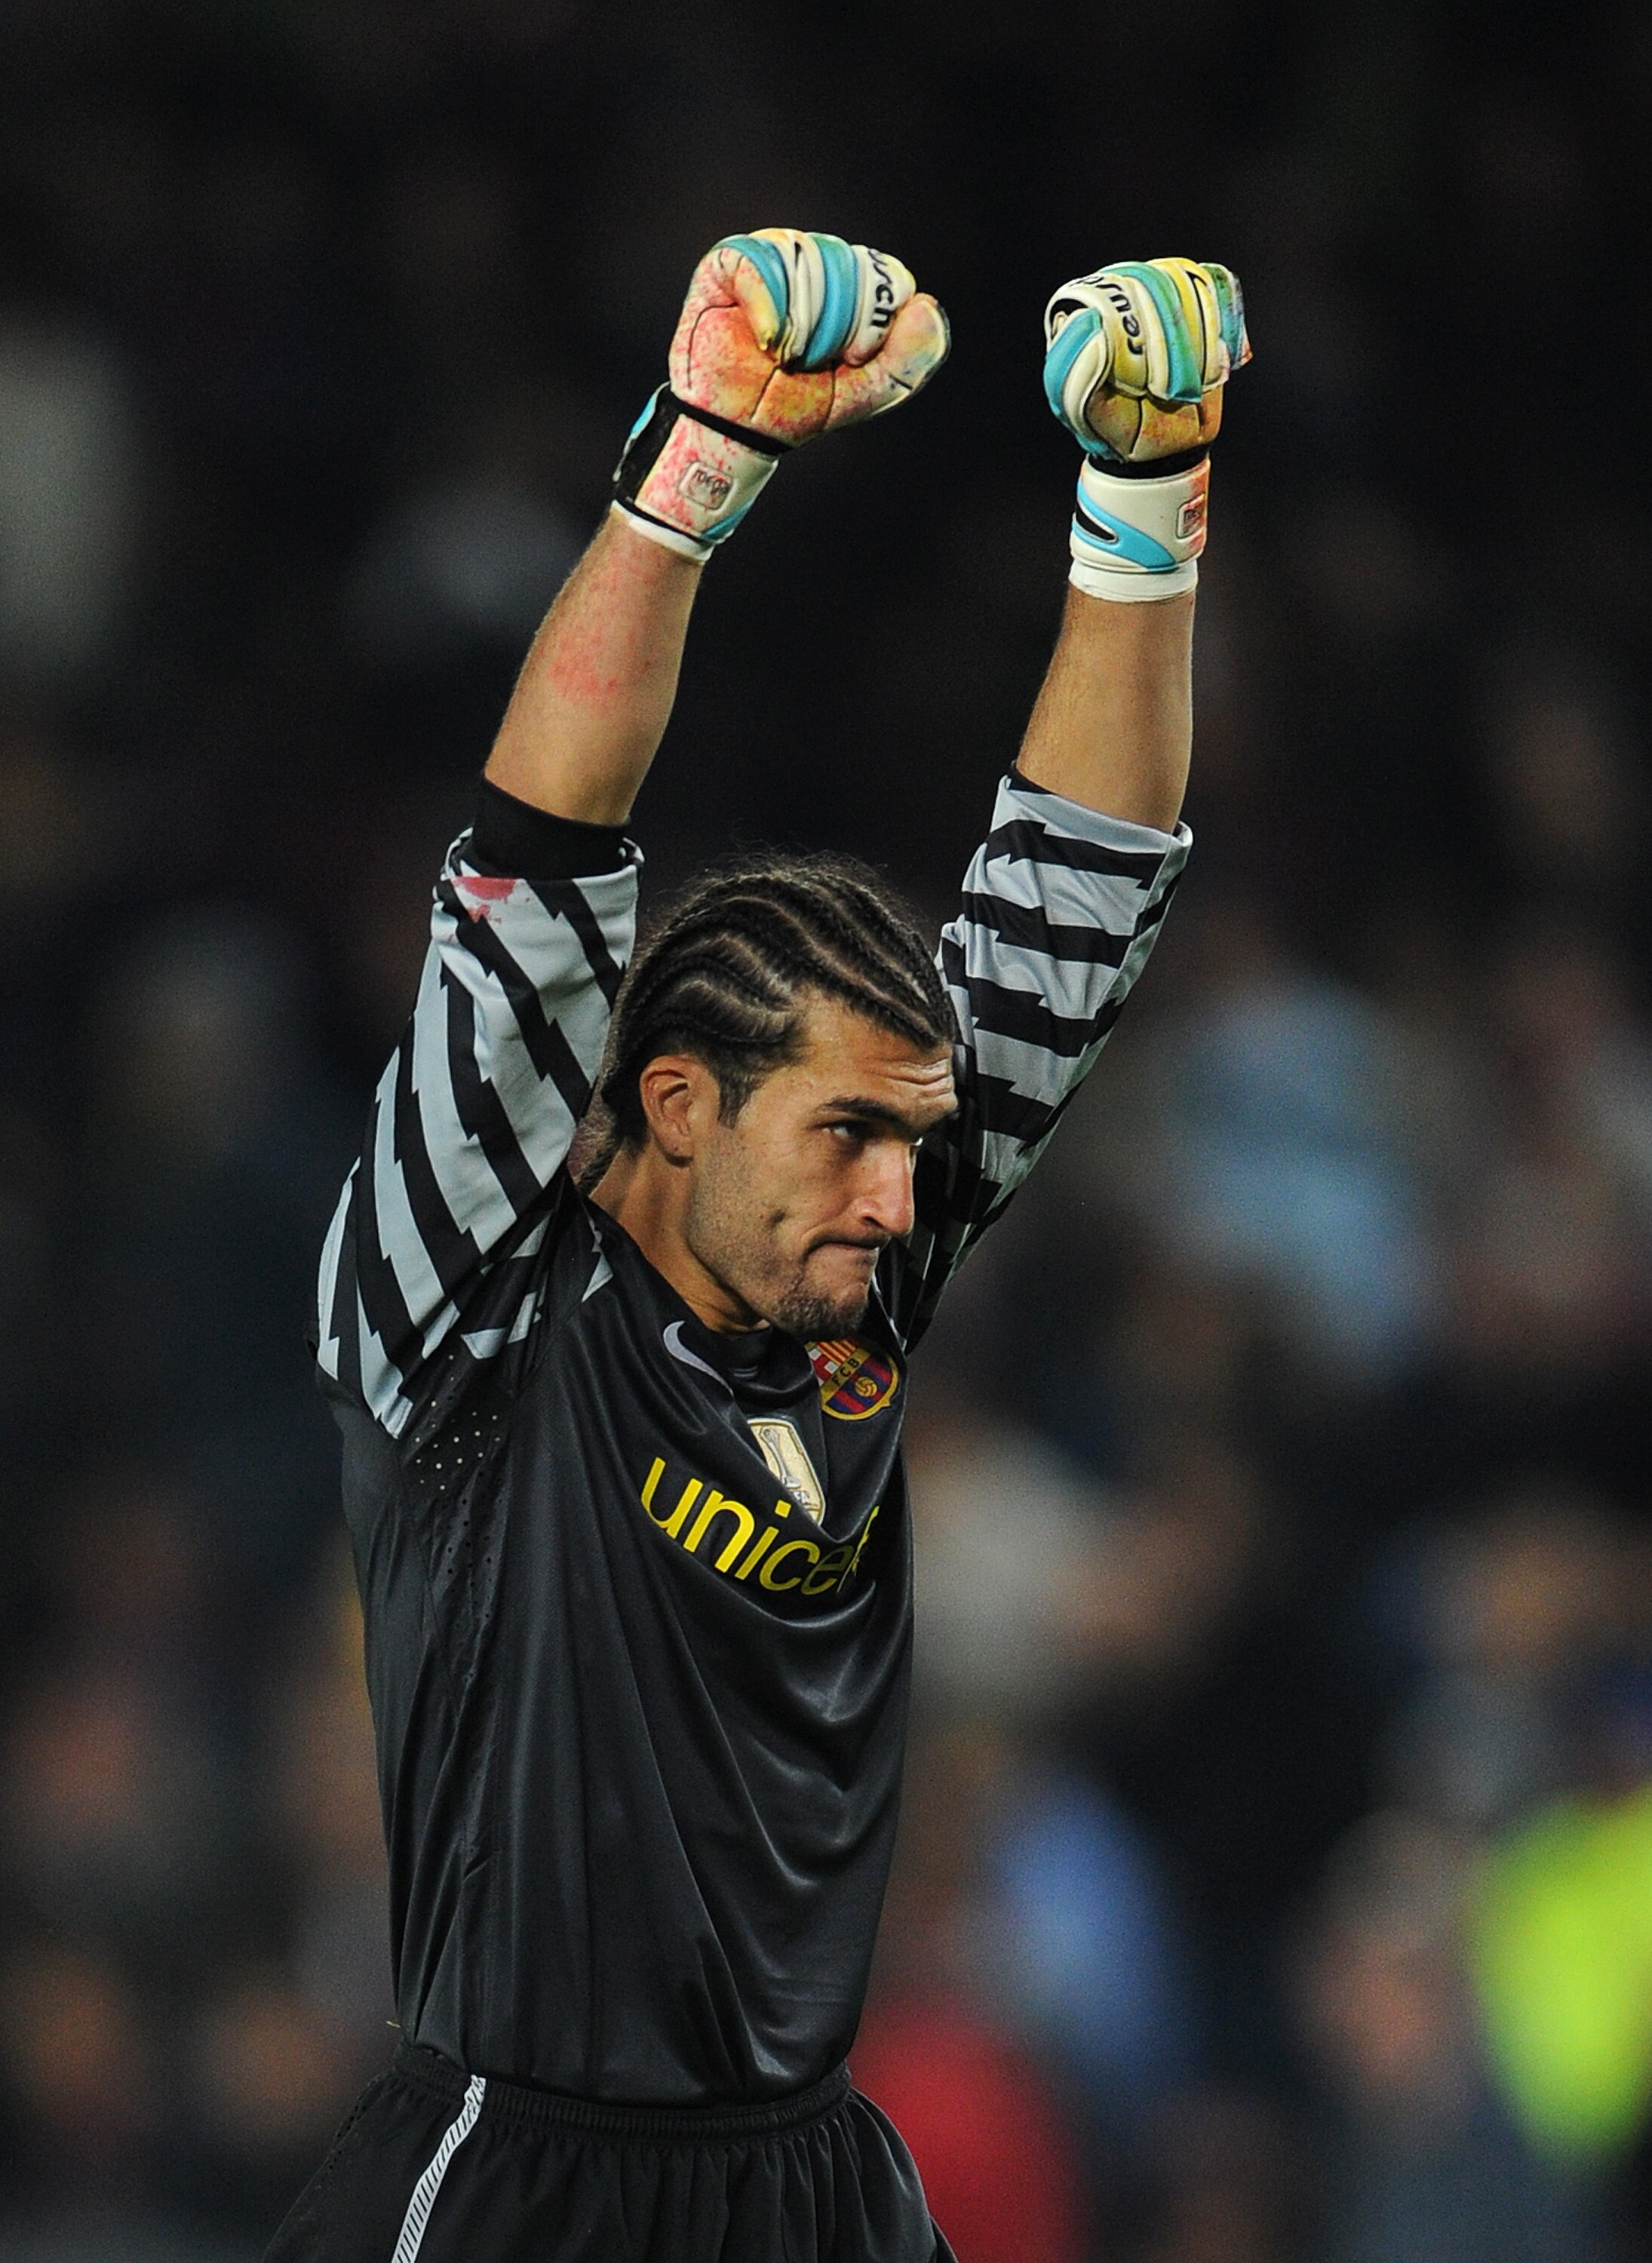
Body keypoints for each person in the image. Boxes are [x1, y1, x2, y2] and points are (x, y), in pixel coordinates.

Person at [275, 229, 1247, 2262]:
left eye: (913, 1143)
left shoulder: (844, 1271)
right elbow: (539, 853)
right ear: (679, 1102)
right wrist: (699, 454)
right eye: (847, 1139)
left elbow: (1082, 888)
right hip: (510, 2183)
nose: (906, 1201)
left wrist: (1147, 511)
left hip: (816, 2180)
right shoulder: (470, 1304)